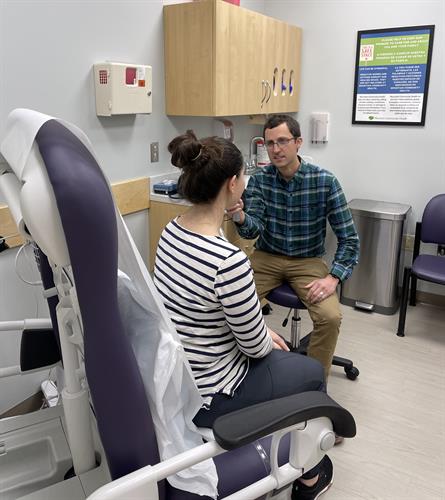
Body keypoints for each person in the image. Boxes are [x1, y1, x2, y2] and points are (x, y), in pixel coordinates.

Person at [154, 131, 335, 499]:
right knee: (312, 374)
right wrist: (261, 334)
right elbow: (254, 349)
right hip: (212, 394)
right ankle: (309, 477)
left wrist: (258, 331)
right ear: (232, 183)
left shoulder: (171, 231)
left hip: (180, 380)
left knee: (277, 347)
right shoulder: (227, 260)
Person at [228, 114, 359, 378]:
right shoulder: (261, 181)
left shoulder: (324, 181)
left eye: (282, 141)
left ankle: (313, 383)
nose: (275, 149)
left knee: (330, 317)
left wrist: (334, 277)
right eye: (270, 143)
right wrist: (240, 217)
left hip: (307, 261)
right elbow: (254, 229)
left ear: (298, 142)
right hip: (266, 256)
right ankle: (242, 372)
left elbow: (349, 238)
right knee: (231, 302)